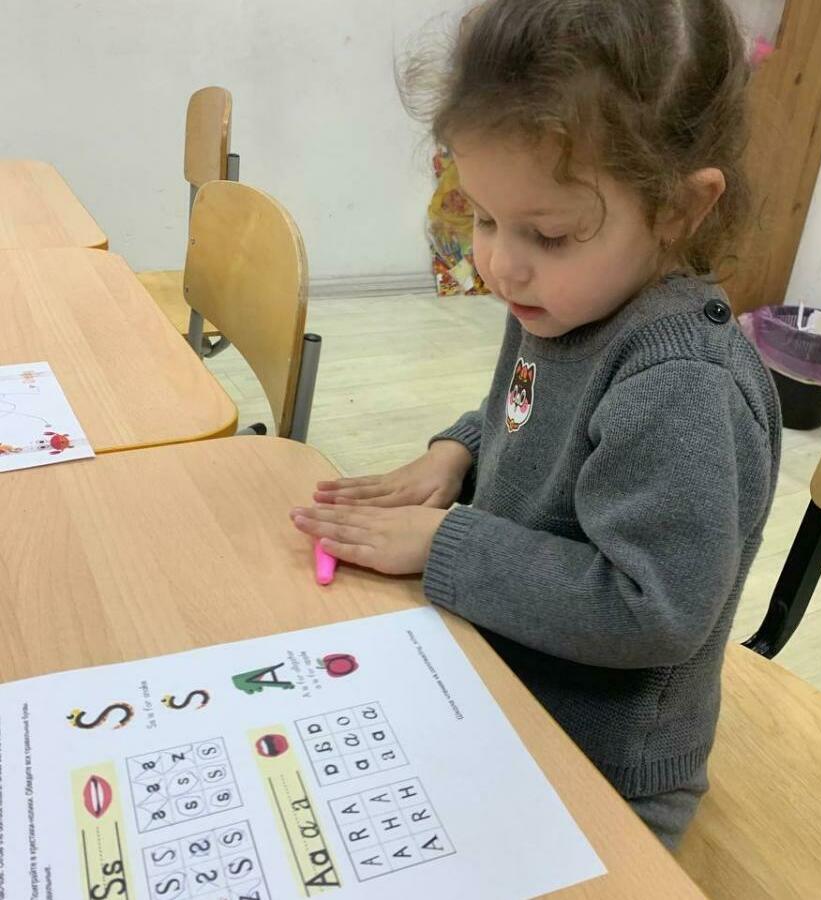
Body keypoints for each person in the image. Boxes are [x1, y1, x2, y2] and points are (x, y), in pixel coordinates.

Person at [291, 0, 781, 849]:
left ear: (680, 210)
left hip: (601, 768)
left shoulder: (683, 388)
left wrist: (443, 545)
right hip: (500, 677)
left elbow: (653, 609)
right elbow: (530, 413)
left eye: (548, 233)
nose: (499, 264)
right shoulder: (564, 296)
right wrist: (459, 451)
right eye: (483, 217)